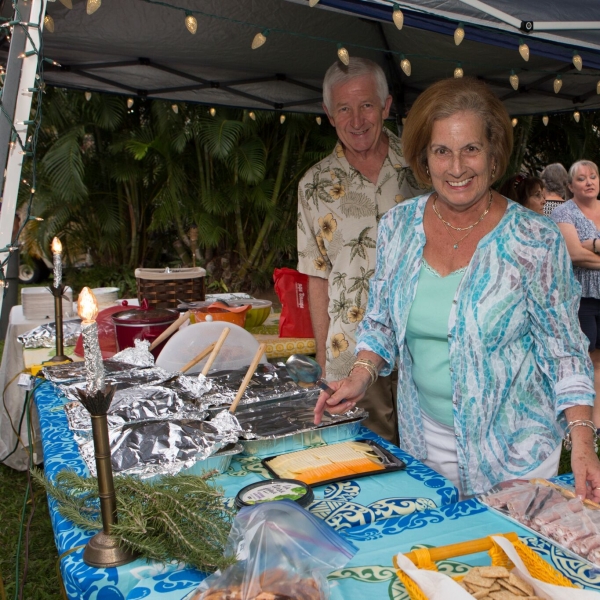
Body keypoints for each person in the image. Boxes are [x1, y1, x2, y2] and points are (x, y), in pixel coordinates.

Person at [314, 76, 600, 499]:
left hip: (513, 450)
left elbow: (565, 350)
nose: (457, 166)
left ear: (493, 153)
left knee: (504, 562)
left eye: (471, 148)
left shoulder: (535, 239)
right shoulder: (398, 227)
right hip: (423, 442)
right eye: (441, 150)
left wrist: (581, 442)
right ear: (424, 158)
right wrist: (360, 375)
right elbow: (380, 322)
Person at [297, 57, 422, 443]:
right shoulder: (314, 185)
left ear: (385, 107)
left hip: (422, 342)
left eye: (366, 105)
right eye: (344, 109)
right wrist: (323, 360)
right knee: (371, 458)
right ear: (328, 114)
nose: (356, 120)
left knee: (434, 457)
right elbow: (316, 275)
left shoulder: (422, 168)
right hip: (349, 350)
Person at [551, 160, 600, 428]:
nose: (589, 182)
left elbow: (584, 250)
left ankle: (598, 424)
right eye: (581, 179)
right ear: (570, 186)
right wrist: (585, 249)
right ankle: (580, 425)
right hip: (581, 299)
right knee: (584, 360)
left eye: (593, 176)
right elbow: (574, 254)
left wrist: (591, 244)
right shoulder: (563, 212)